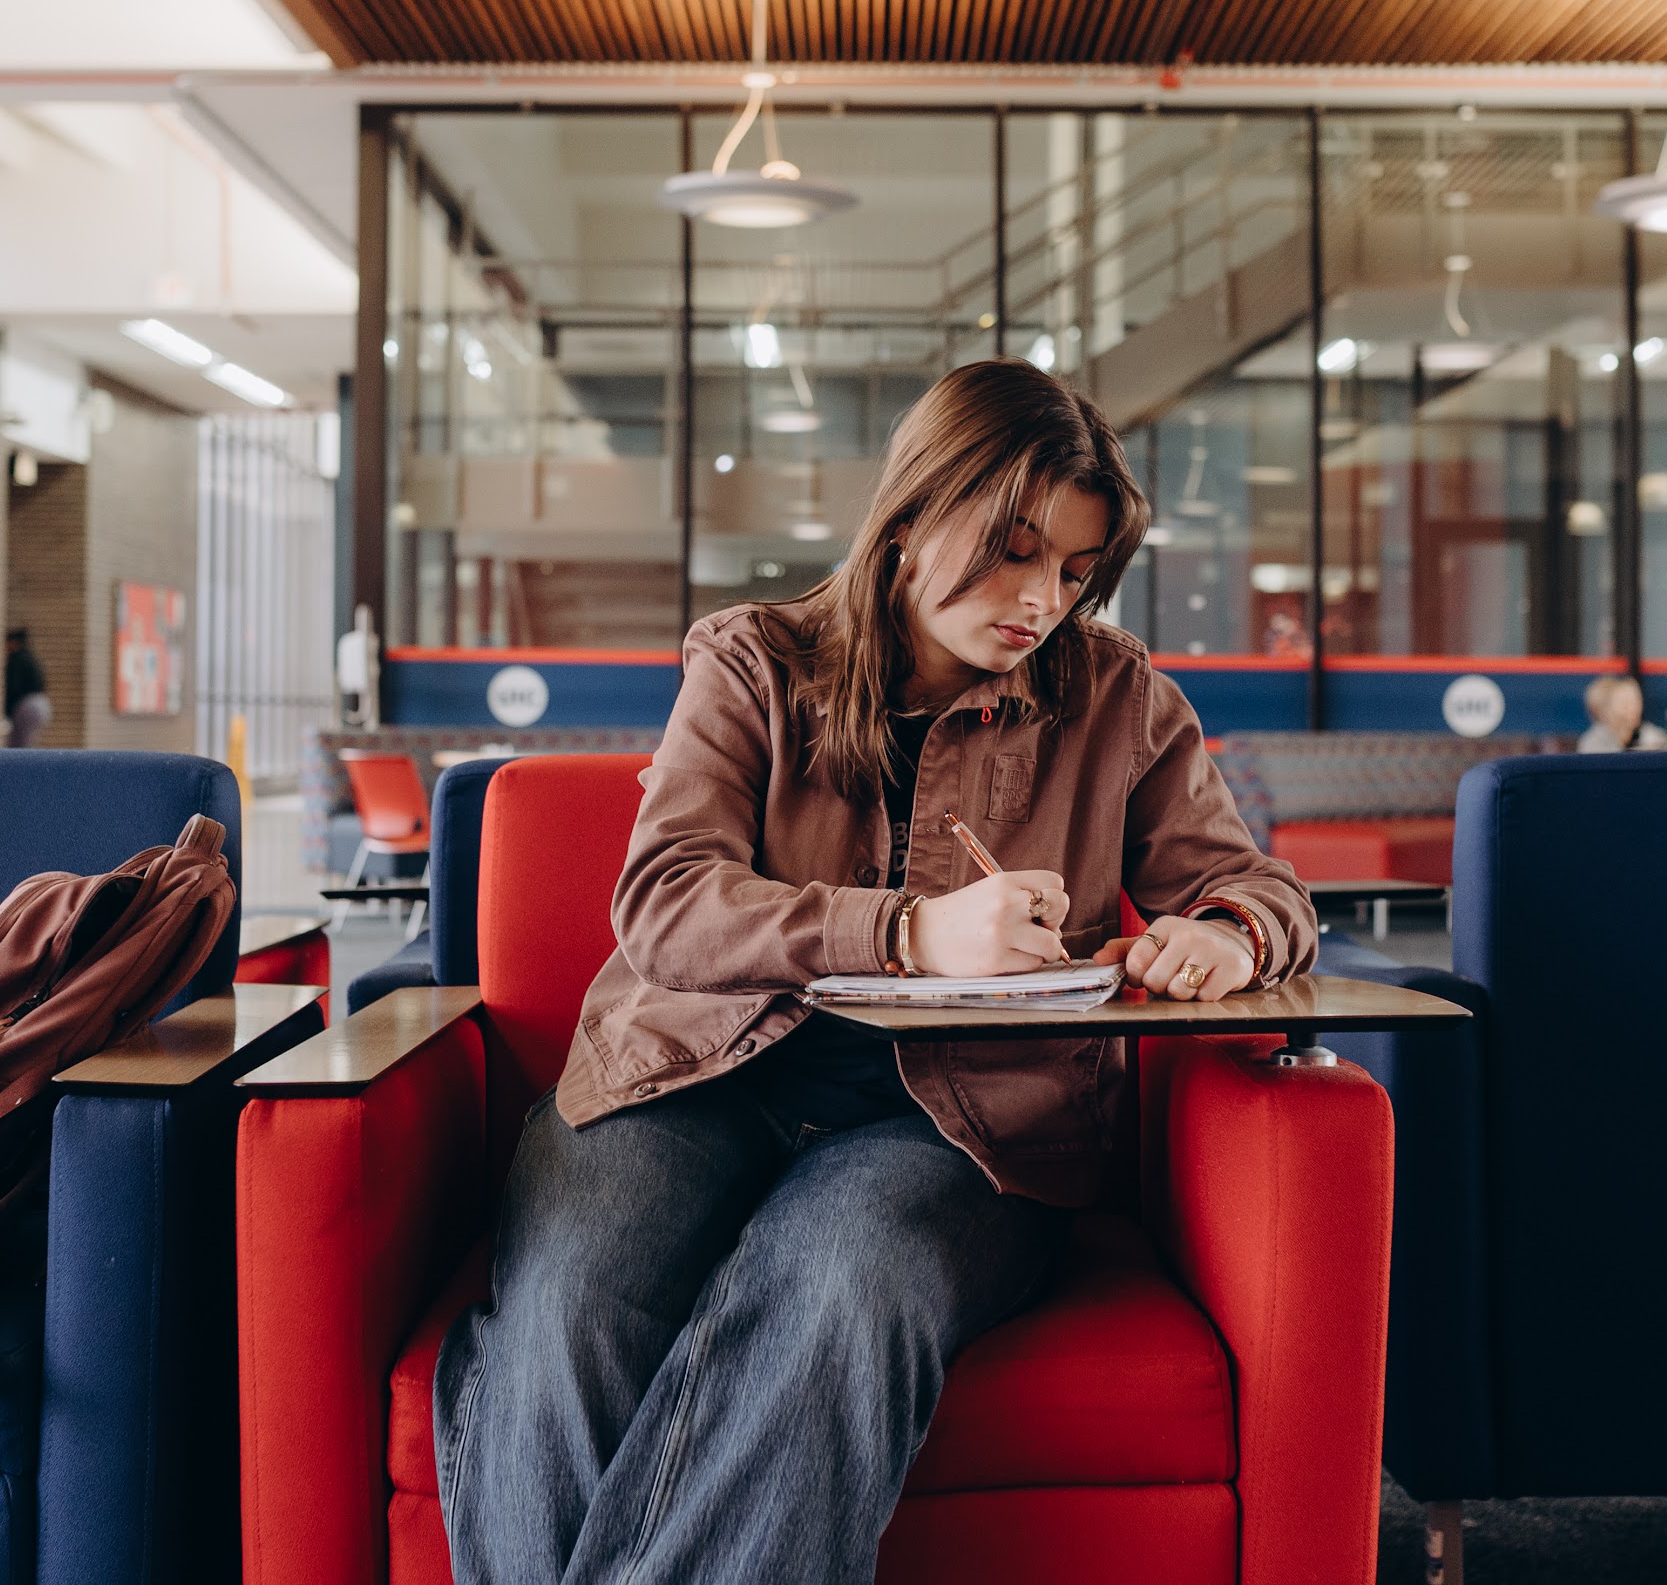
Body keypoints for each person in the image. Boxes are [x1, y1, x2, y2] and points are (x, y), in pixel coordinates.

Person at [434, 358, 1315, 1585]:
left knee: (839, 1282)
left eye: (1073, 571)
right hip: (687, 1073)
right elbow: (664, 901)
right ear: (910, 515)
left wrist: (1226, 933)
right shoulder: (753, 662)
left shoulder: (1116, 699)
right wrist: (908, 932)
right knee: (569, 1303)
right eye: (1012, 550)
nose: (1040, 601)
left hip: (964, 1125)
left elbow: (1261, 891)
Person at [1578, 673, 1666, 753]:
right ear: (1604, 710)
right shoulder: (1592, 742)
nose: (1634, 708)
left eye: (1636, 701)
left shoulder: (1653, 736)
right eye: (1625, 703)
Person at [4, 629, 51, 748]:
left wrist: (7, 713)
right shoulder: (31, 657)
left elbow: (13, 687)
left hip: (27, 705)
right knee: (26, 741)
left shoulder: (17, 659)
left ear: (13, 642)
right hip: (42, 704)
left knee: (19, 744)